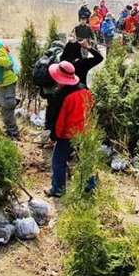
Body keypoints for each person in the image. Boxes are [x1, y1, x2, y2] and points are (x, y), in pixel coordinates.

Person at [44, 61, 93, 197]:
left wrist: (53, 138)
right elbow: (90, 109)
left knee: (58, 161)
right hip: (85, 131)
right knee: (85, 160)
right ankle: (90, 188)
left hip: (68, 135)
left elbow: (59, 121)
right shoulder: (84, 89)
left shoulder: (61, 96)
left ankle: (58, 190)